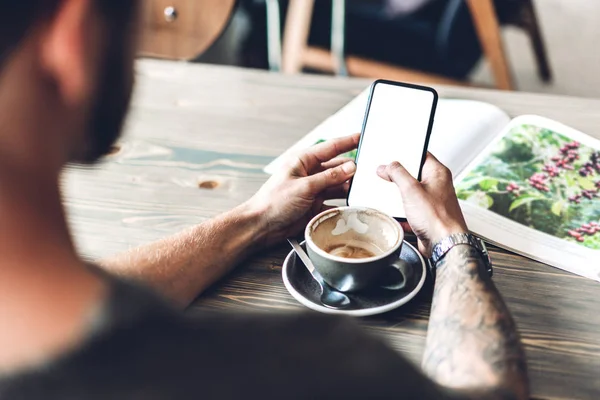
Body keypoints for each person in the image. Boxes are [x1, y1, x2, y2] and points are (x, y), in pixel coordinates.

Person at [0, 1, 528, 399]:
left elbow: (92, 308)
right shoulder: (315, 369)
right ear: (72, 41)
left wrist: (255, 219)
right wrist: (452, 243)